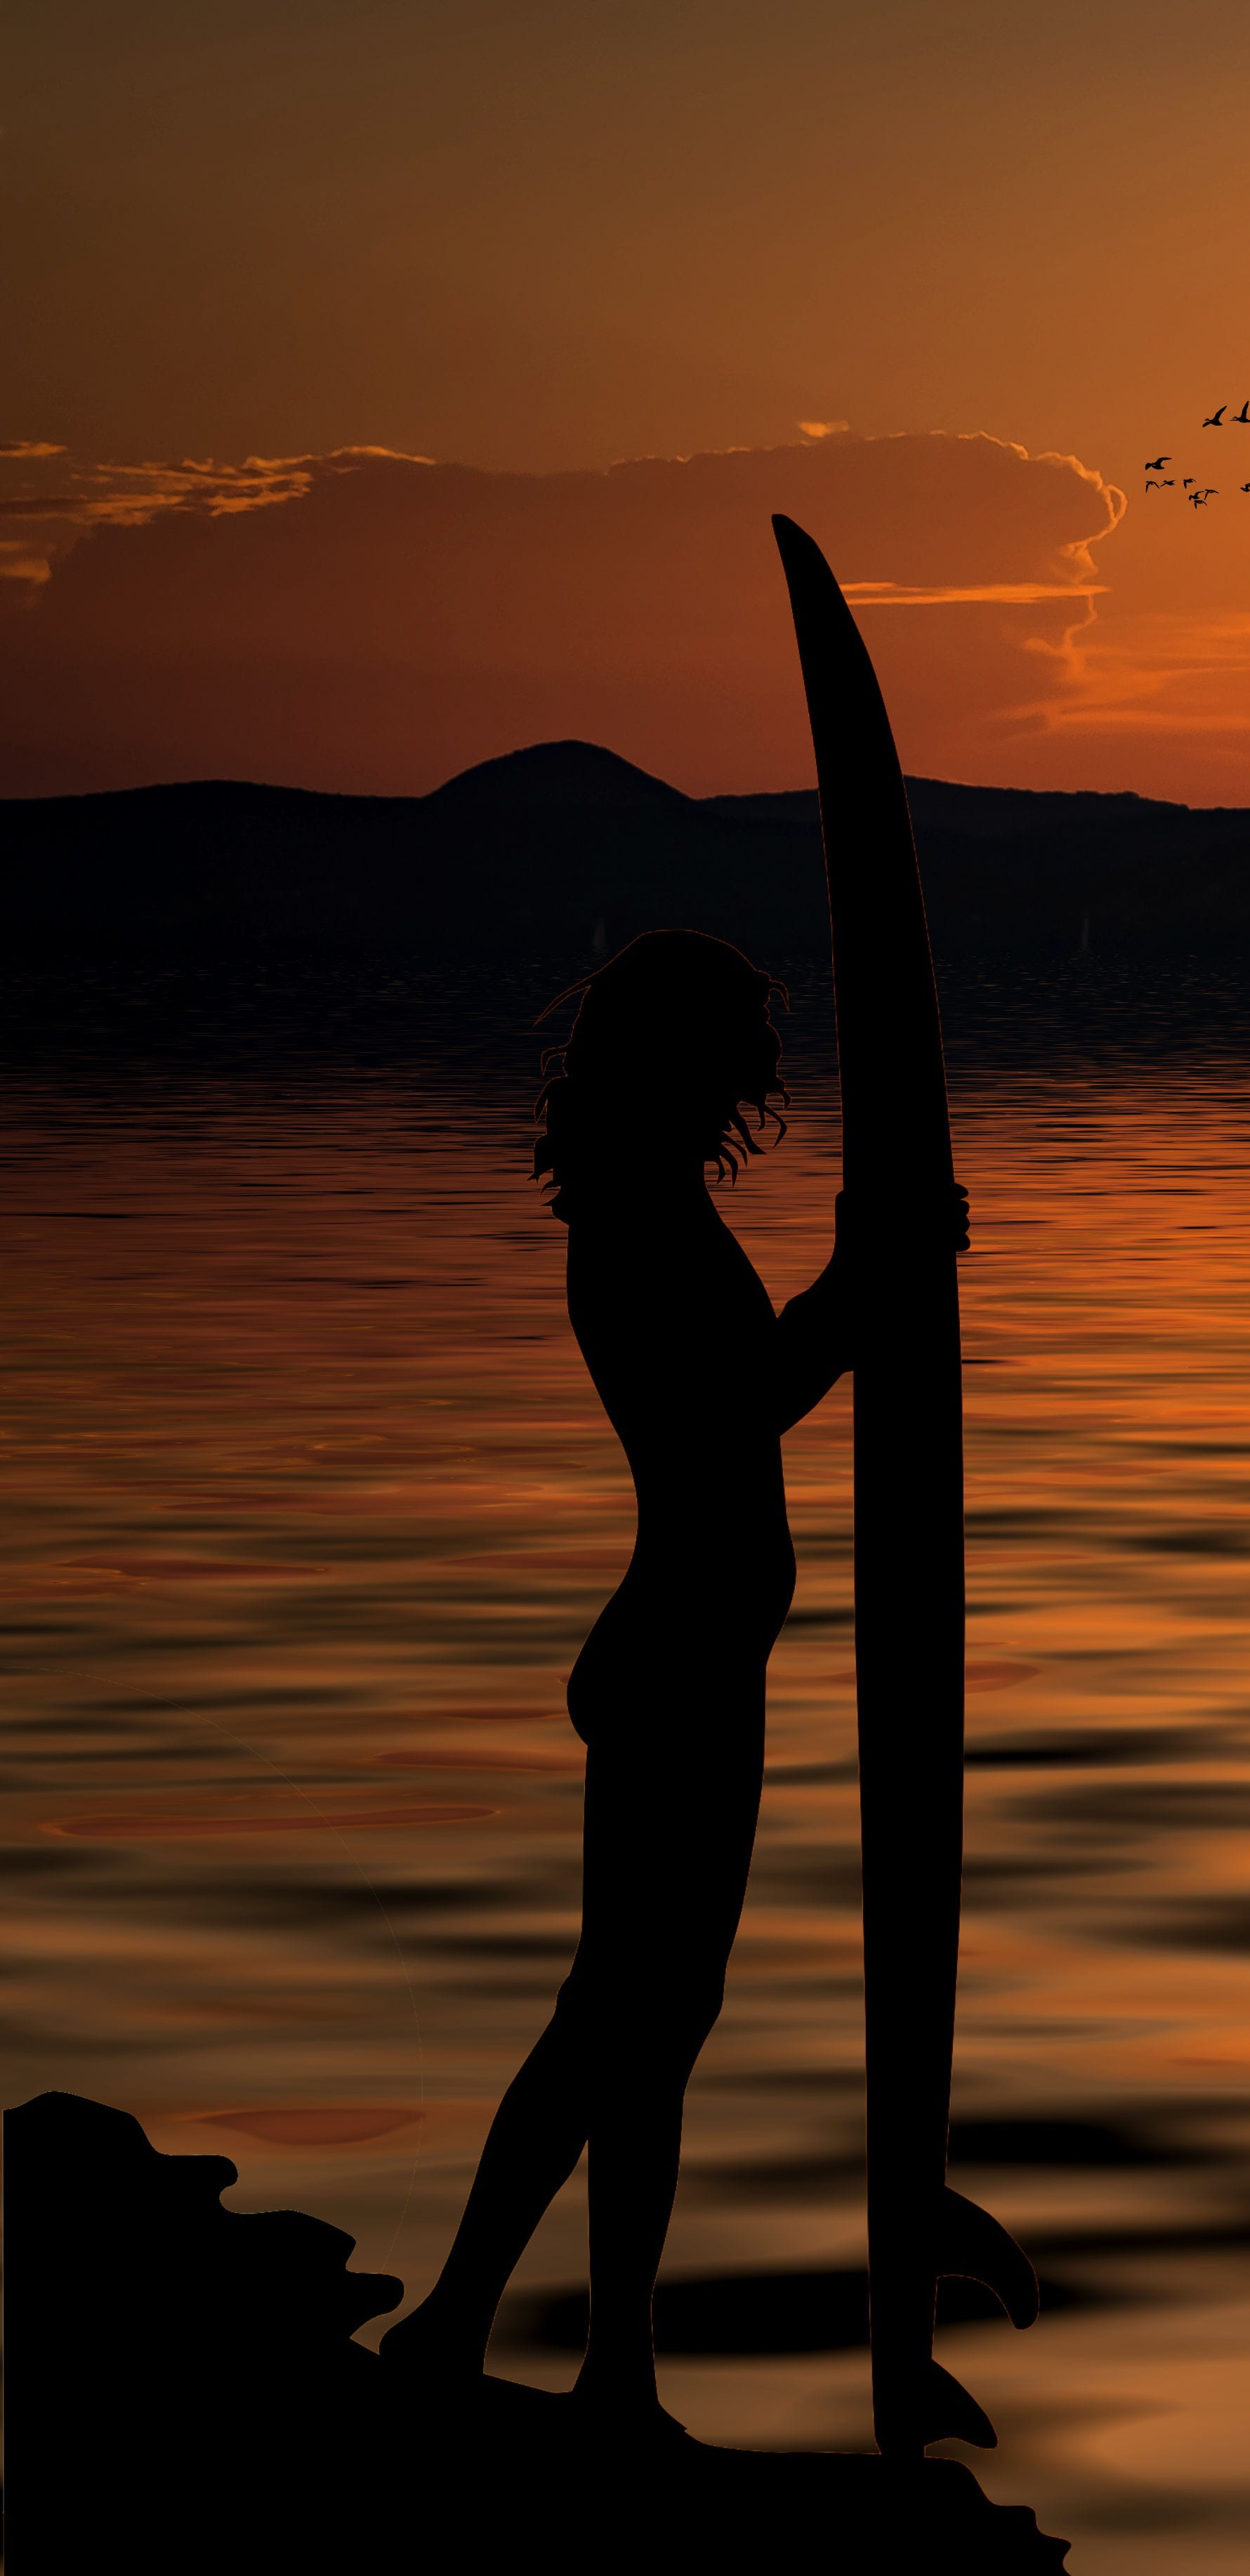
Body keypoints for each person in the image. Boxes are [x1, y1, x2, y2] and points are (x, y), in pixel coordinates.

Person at [381, 929, 948, 2431]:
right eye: (738, 1047)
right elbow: (738, 1408)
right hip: (676, 1663)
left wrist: (863, 1282)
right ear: (678, 1059)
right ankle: (463, 2324)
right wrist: (865, 1279)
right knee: (616, 2015)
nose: (761, 1074)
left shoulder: (661, 1202)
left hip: (701, 1656)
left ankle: (608, 2360)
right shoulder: (636, 1217)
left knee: (651, 2018)